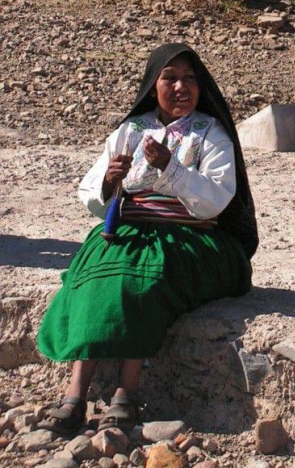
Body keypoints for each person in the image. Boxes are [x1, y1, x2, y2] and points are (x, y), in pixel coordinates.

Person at [37, 42, 257, 433]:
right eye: (169, 78)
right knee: (91, 274)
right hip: (125, 229)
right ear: (152, 86)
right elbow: (90, 190)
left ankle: (127, 392)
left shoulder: (212, 133)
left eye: (189, 78)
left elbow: (216, 200)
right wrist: (109, 179)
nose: (180, 87)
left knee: (142, 280)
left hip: (191, 239)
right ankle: (75, 396)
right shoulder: (130, 130)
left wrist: (171, 168)